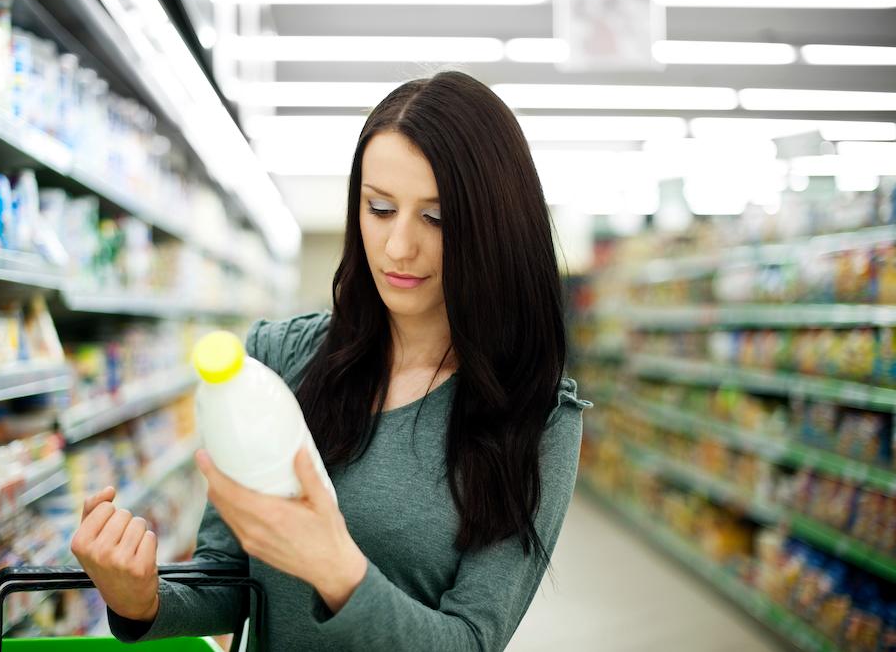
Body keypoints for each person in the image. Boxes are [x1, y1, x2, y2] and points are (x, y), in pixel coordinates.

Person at [69, 71, 591, 651]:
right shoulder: (278, 360)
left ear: (495, 225)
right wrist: (142, 598)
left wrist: (338, 570)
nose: (398, 247)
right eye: (380, 208)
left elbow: (472, 641)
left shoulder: (536, 417)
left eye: (436, 218)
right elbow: (230, 578)